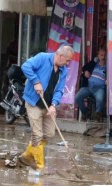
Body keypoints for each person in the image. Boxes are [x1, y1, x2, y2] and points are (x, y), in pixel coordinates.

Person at [19, 45, 74, 173]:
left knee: (49, 133)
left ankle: (28, 155)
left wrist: (54, 105)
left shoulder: (63, 70)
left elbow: (60, 89)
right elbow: (25, 66)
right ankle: (39, 166)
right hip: (34, 102)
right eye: (67, 60)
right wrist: (36, 81)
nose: (68, 63)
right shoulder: (43, 58)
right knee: (37, 134)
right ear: (60, 56)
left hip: (48, 105)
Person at [74, 48, 107, 122]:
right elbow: (84, 68)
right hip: (88, 87)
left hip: (99, 88)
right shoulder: (94, 63)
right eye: (101, 55)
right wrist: (85, 71)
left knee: (100, 99)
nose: (103, 57)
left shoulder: (107, 66)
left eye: (104, 55)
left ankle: (97, 116)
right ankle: (85, 112)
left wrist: (108, 80)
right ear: (98, 56)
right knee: (77, 98)